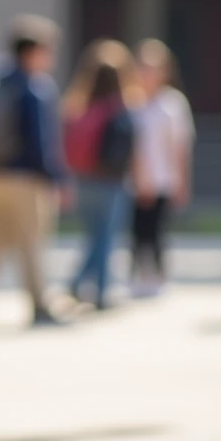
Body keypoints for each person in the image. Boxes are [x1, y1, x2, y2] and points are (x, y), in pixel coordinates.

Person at [0, 15, 69, 328]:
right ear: (33, 52)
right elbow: (40, 142)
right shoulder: (33, 89)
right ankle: (40, 304)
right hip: (26, 179)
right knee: (31, 243)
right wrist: (56, 178)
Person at [62, 40, 138, 311]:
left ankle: (78, 283)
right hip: (110, 182)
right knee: (105, 239)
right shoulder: (120, 109)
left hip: (83, 179)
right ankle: (102, 292)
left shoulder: (79, 107)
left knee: (94, 238)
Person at [130, 39, 194, 297]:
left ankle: (158, 275)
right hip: (134, 180)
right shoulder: (132, 102)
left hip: (163, 178)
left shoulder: (173, 103)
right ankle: (137, 275)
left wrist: (182, 182)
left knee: (157, 231)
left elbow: (180, 146)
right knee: (136, 231)